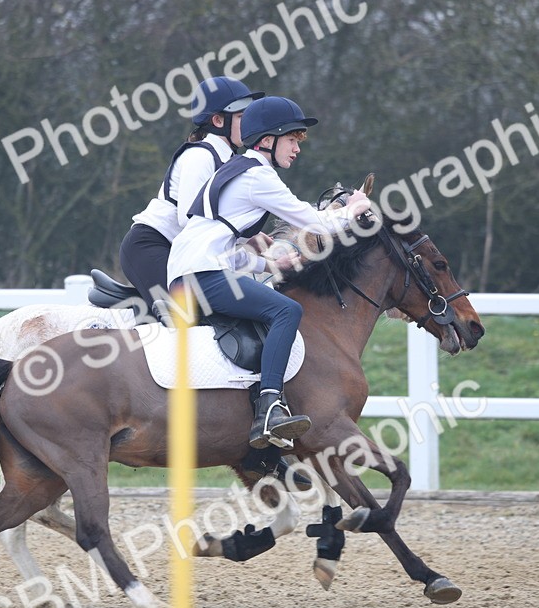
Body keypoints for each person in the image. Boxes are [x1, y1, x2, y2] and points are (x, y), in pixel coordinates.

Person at [167, 96, 367, 449]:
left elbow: (223, 247)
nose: (297, 149)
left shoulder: (237, 170)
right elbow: (315, 222)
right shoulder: (258, 176)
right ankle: (270, 406)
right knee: (286, 309)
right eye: (292, 140)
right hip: (201, 273)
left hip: (191, 270)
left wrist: (268, 264)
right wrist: (354, 209)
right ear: (267, 140)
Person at [117, 76, 263, 317]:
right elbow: (191, 221)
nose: (248, 124)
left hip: (179, 254)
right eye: (241, 117)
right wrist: (241, 239)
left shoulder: (229, 160)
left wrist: (250, 239)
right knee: (193, 318)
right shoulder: (201, 157)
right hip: (151, 247)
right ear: (218, 121)